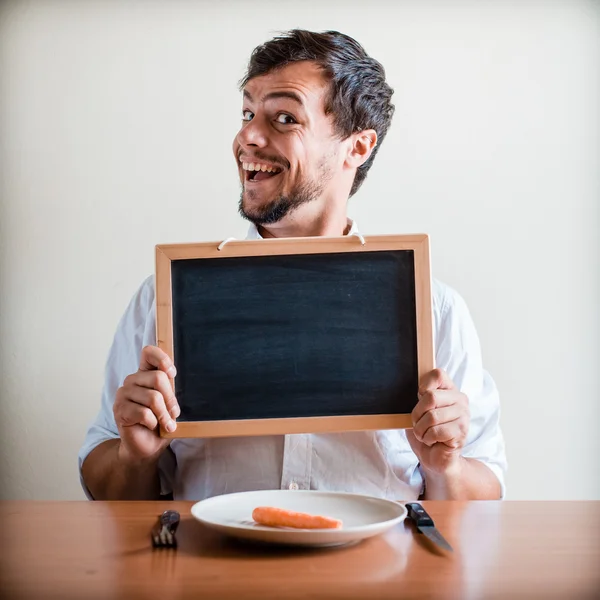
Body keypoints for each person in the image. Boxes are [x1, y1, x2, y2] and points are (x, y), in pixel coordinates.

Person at [79, 29, 506, 502]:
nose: (247, 136)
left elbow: (484, 494)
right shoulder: (165, 299)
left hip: (381, 573)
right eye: (247, 114)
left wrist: (446, 467)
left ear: (357, 147)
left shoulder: (435, 310)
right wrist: (134, 457)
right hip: (211, 572)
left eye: (284, 118)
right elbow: (103, 486)